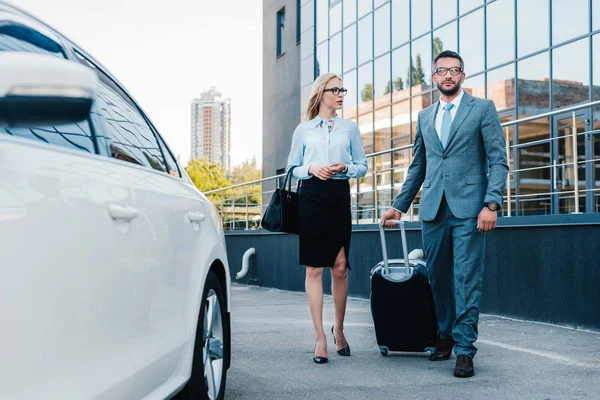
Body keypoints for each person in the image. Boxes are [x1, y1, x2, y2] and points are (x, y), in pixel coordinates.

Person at [381, 50, 508, 378]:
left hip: (471, 210)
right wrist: (399, 205)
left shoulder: (482, 109)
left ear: (463, 76)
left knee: (466, 278)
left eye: (454, 70)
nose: (448, 75)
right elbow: (419, 166)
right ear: (434, 77)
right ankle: (446, 335)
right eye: (441, 71)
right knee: (438, 275)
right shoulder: (425, 117)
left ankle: (465, 349)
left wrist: (491, 204)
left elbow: (499, 160)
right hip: (433, 209)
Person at [286, 72, 368, 364]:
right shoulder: (303, 130)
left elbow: (363, 166)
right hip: (311, 198)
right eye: (336, 89)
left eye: (343, 89)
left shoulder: (350, 128)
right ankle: (320, 338)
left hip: (337, 197)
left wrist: (346, 167)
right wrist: (311, 169)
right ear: (322, 93)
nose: (341, 94)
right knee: (314, 269)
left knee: (341, 267)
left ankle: (340, 329)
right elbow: (291, 168)